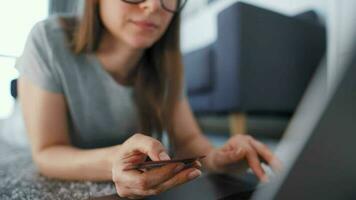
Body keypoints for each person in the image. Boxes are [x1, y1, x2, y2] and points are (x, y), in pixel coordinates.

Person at [16, 0, 281, 198]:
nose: (154, 6)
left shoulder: (167, 61)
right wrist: (116, 161)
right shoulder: (47, 40)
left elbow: (188, 140)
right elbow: (47, 152)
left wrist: (218, 158)